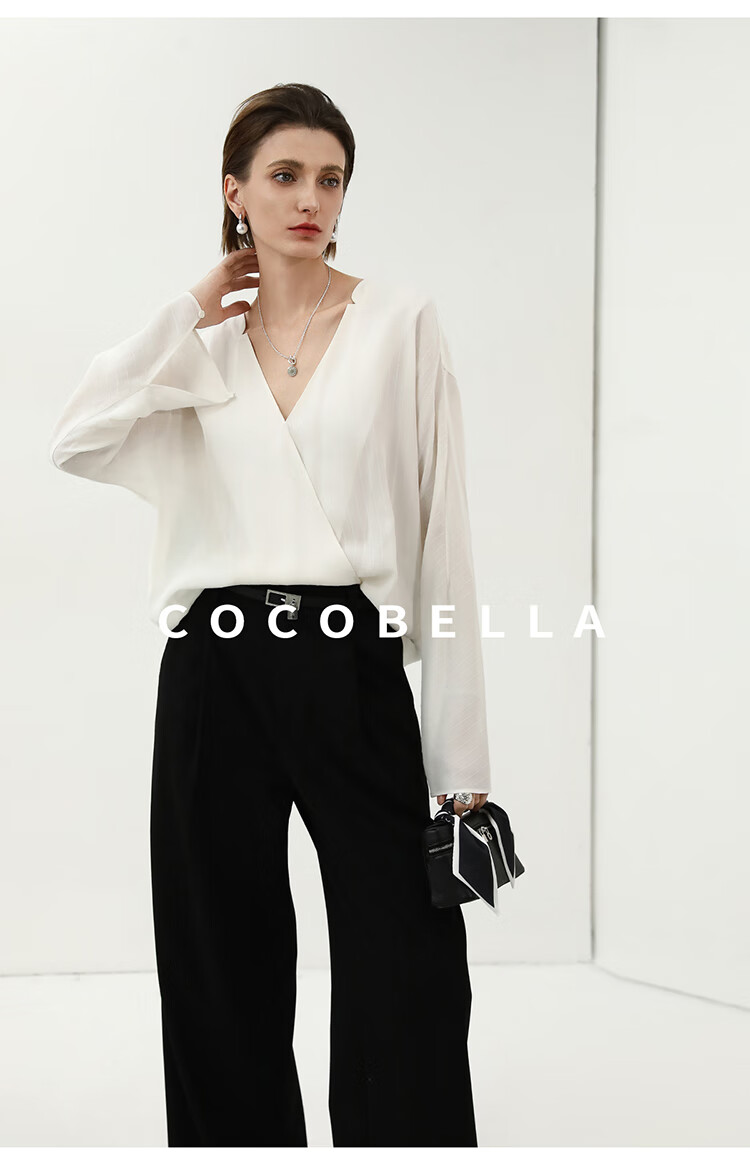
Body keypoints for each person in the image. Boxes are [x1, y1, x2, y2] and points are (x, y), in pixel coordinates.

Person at [48, 82, 492, 1147]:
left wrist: (461, 763)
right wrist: (187, 309)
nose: (309, 200)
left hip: (352, 664)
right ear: (234, 191)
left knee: (407, 957)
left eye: (330, 179)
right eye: (284, 175)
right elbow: (75, 436)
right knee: (218, 956)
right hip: (215, 671)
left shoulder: (400, 323)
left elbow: (445, 536)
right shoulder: (198, 350)